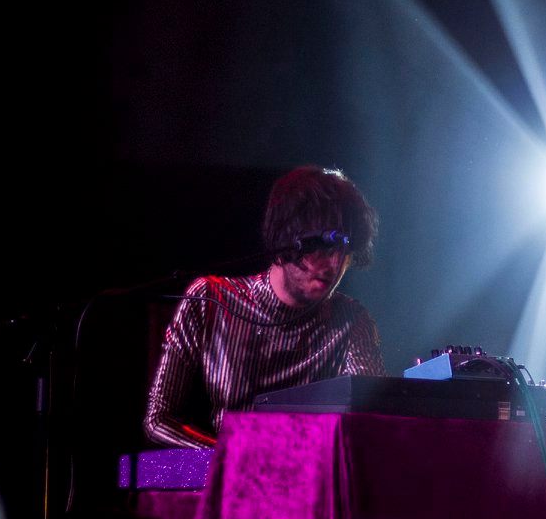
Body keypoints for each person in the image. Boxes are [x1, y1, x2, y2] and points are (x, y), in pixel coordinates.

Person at [144, 165, 384, 447]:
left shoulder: (351, 321)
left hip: (310, 470)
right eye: (326, 245)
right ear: (289, 237)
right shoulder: (209, 300)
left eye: (345, 250)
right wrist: (230, 457)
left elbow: (375, 419)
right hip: (225, 470)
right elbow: (157, 418)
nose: (335, 264)